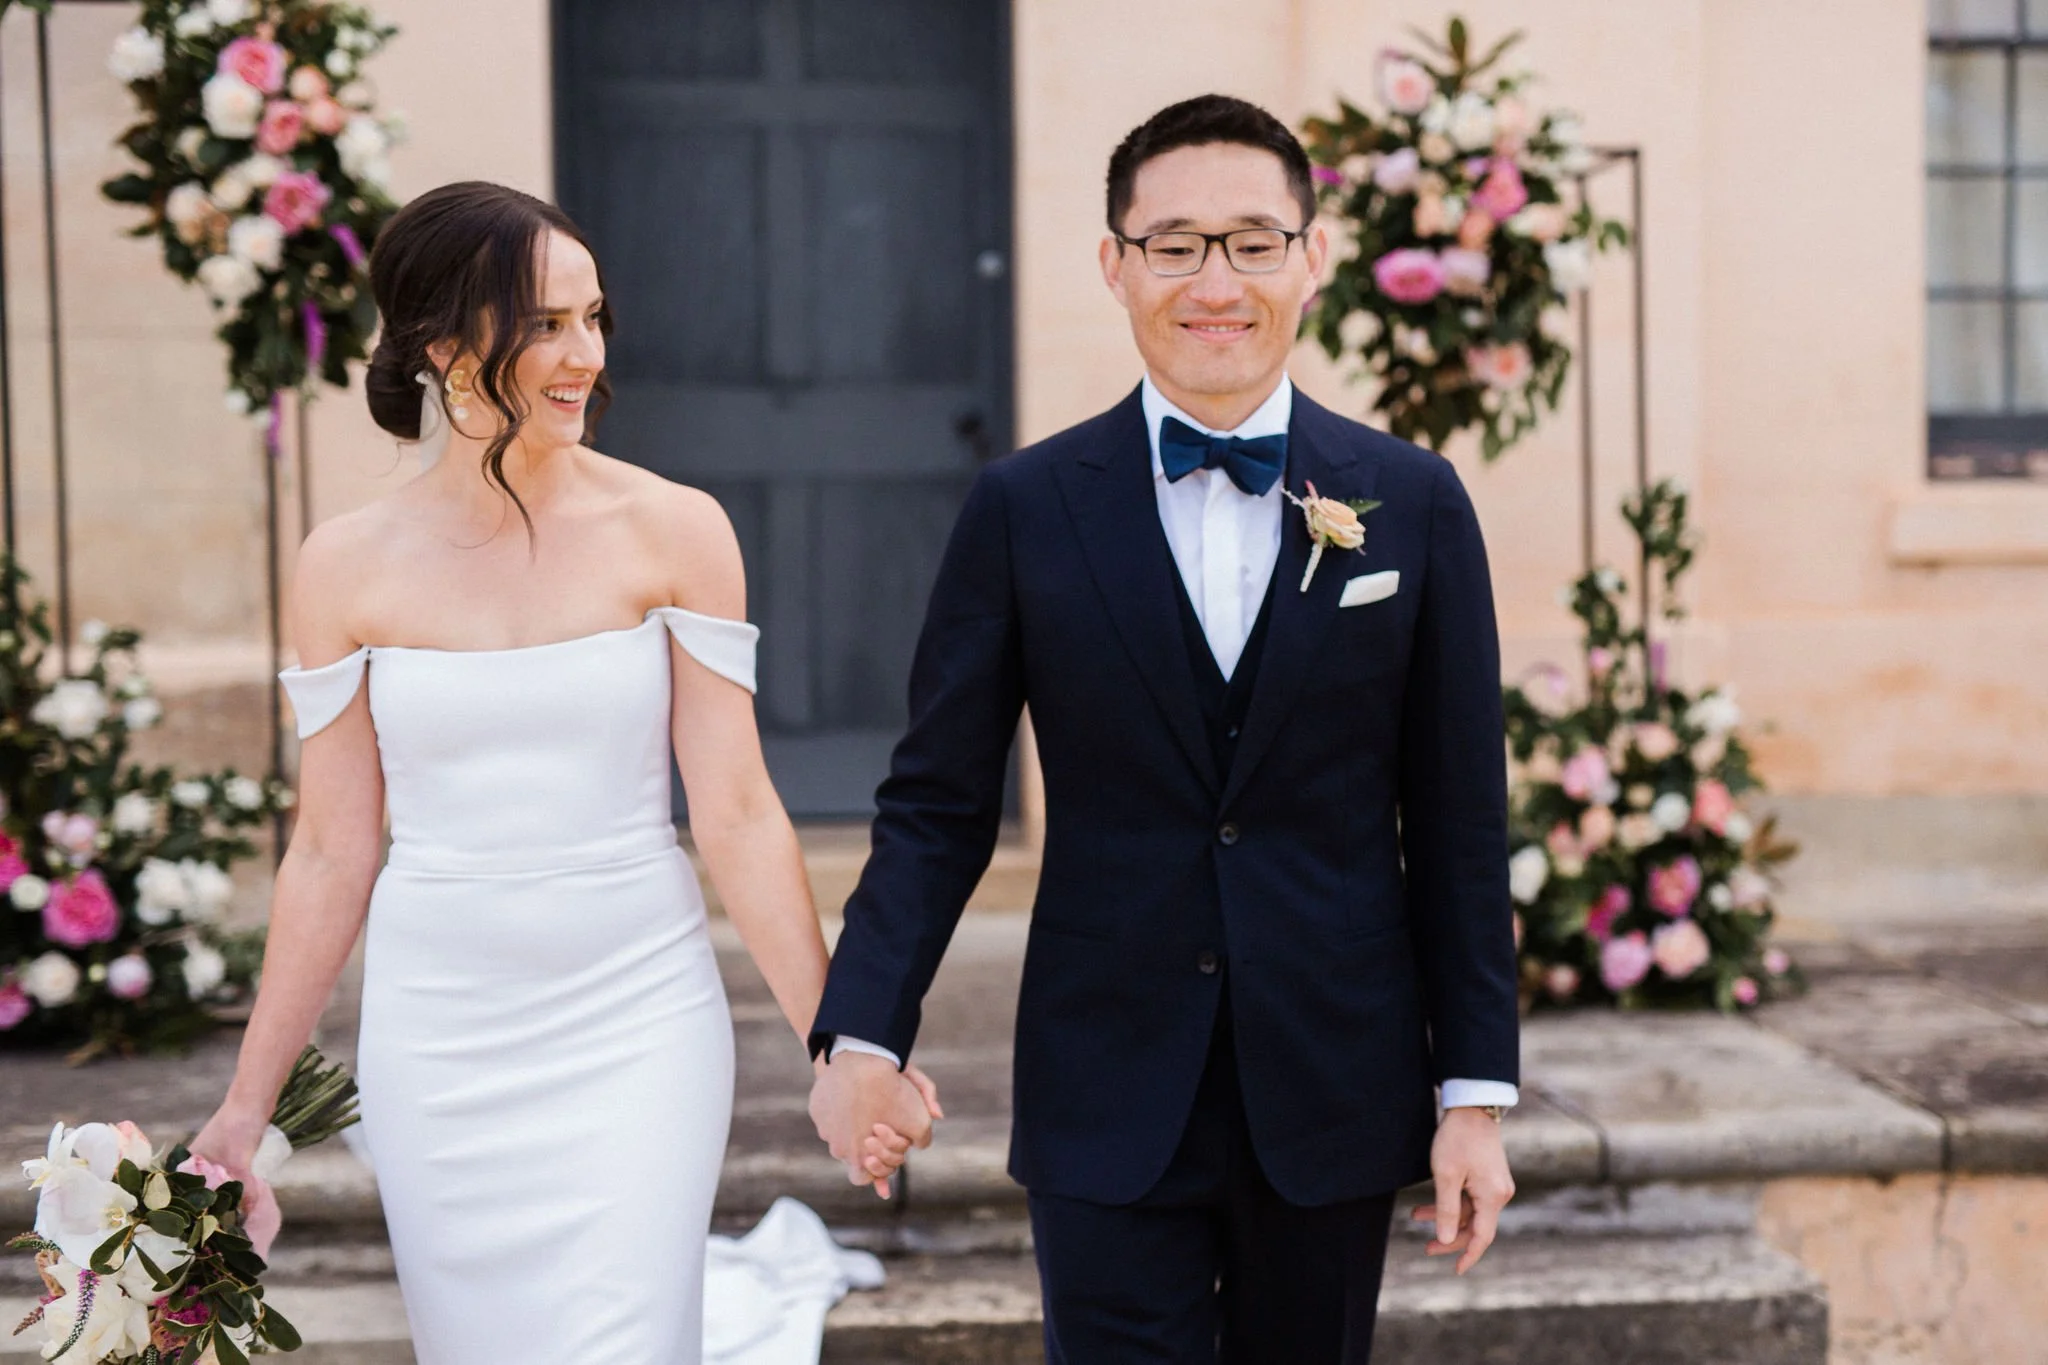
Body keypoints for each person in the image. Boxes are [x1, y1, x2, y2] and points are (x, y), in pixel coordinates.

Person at [806, 96, 1521, 1361]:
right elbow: (938, 804)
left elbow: (1460, 820)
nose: (1215, 281)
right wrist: (862, 1031)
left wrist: (1472, 1095)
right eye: (1174, 244)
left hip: (1333, 1084)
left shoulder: (1411, 502)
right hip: (1104, 1080)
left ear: (1311, 256)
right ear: (1114, 264)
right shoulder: (1022, 507)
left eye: (1252, 242)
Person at [189, 181, 938, 1365]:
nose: (583, 353)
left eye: (592, 318)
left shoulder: (675, 531)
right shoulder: (340, 567)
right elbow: (332, 847)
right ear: (441, 342)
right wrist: (247, 1106)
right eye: (543, 323)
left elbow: (737, 811)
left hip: (634, 1015)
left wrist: (837, 1049)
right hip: (439, 1036)